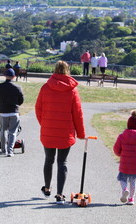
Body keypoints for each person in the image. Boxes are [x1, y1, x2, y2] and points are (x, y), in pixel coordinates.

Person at [35, 60, 85, 204]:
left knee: (48, 160)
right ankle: (59, 194)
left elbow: (39, 109)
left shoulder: (45, 87)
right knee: (62, 162)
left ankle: (47, 188)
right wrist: (81, 134)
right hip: (65, 132)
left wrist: (44, 124)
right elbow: (78, 114)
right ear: (67, 71)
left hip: (48, 130)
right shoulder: (72, 90)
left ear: (55, 70)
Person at [113, 110, 136, 205]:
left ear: (128, 124)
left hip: (124, 162)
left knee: (122, 179)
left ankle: (124, 189)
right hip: (135, 165)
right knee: (133, 181)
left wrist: (119, 154)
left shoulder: (122, 136)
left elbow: (116, 149)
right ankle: (131, 199)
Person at [0, 68, 24, 157]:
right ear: (14, 76)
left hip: (3, 112)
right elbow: (21, 100)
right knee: (13, 132)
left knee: (3, 130)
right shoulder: (18, 87)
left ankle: (3, 149)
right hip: (14, 112)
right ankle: (10, 151)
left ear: (4, 76)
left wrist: (0, 104)